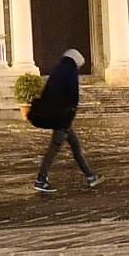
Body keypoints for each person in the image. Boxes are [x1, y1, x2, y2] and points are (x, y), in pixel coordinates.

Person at [27, 47, 99, 193]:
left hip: (58, 115)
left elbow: (48, 91)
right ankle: (41, 179)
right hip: (63, 117)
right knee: (54, 148)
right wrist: (71, 110)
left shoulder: (58, 69)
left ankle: (90, 175)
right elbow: (73, 95)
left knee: (75, 146)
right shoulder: (70, 71)